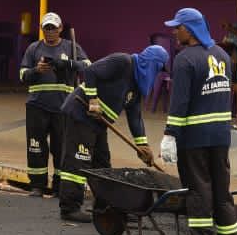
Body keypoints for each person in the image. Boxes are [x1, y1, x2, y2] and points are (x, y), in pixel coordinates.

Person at [159, 7, 237, 235]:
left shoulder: (185, 59)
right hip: (220, 135)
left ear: (190, 30)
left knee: (198, 190)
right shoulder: (222, 55)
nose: (174, 32)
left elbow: (180, 102)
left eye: (178, 27)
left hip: (194, 137)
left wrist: (170, 134)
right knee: (221, 189)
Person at [56, 44, 168, 223]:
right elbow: (90, 70)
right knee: (79, 160)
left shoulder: (138, 84)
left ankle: (104, 207)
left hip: (99, 123)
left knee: (103, 164)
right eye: (158, 68)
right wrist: (93, 99)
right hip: (81, 113)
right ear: (152, 62)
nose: (157, 73)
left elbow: (135, 117)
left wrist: (142, 145)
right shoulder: (123, 61)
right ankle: (70, 208)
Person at [18, 13, 89, 197]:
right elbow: (22, 74)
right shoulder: (34, 48)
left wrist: (67, 64)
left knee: (62, 148)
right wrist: (36, 70)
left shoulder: (71, 47)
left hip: (63, 107)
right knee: (36, 147)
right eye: (46, 28)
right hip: (37, 106)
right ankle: (37, 185)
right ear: (42, 30)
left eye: (53, 28)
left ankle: (59, 186)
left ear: (60, 29)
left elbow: (88, 67)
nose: (49, 32)